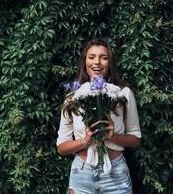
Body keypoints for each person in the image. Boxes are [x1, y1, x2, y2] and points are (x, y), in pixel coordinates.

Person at [57, 38, 142, 194]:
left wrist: (113, 136)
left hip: (115, 174)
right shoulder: (73, 98)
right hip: (81, 174)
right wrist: (84, 141)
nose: (97, 62)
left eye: (104, 57)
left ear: (110, 63)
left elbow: (135, 139)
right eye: (91, 57)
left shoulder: (122, 93)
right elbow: (62, 147)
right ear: (84, 62)